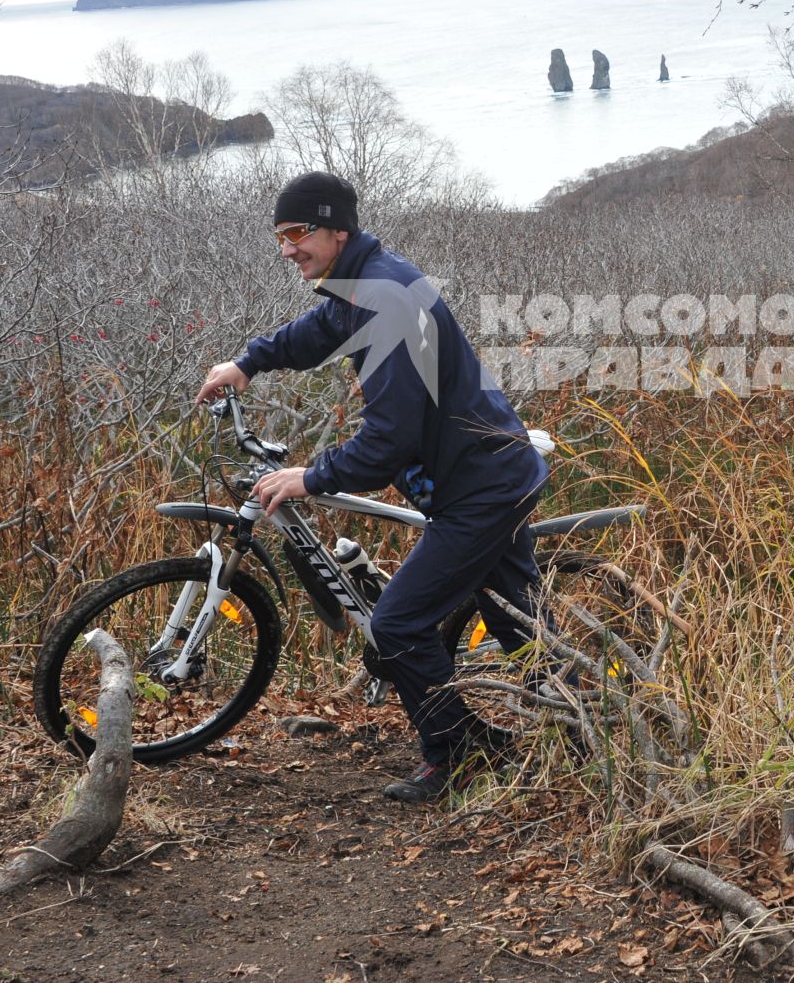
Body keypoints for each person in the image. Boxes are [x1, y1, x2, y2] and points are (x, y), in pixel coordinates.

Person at [195, 171, 548, 803]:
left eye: (297, 232)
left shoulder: (384, 297)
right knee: (519, 620)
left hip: (481, 487)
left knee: (398, 624)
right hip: (486, 473)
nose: (287, 248)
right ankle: (589, 723)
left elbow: (389, 442)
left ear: (336, 229)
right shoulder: (362, 284)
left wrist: (312, 476)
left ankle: (460, 753)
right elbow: (320, 331)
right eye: (279, 234)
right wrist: (249, 362)